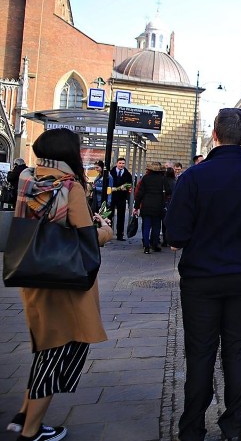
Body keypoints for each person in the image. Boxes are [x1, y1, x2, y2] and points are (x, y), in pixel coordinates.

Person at [166, 108, 241, 441]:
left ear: (214, 135)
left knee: (201, 353)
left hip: (200, 280)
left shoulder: (193, 177)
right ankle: (234, 425)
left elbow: (175, 235)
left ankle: (191, 428)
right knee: (236, 350)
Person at [6, 128, 112, 441]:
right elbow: (87, 242)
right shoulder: (70, 186)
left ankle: (22, 415)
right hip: (65, 285)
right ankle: (30, 432)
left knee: (44, 351)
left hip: (35, 278)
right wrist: (104, 232)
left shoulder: (28, 179)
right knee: (55, 357)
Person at [132, 162, 171, 254]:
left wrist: (136, 207)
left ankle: (146, 246)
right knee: (156, 226)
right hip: (158, 206)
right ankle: (154, 244)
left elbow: (139, 194)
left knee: (146, 226)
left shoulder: (145, 178)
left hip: (146, 205)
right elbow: (169, 191)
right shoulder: (163, 179)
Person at [109, 158, 133, 240]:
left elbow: (130, 184)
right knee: (109, 215)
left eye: (123, 163)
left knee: (121, 216)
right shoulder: (111, 173)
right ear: (116, 163)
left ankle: (120, 234)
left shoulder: (127, 174)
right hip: (111, 196)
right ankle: (108, 233)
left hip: (122, 197)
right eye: (120, 163)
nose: (121, 165)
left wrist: (126, 188)